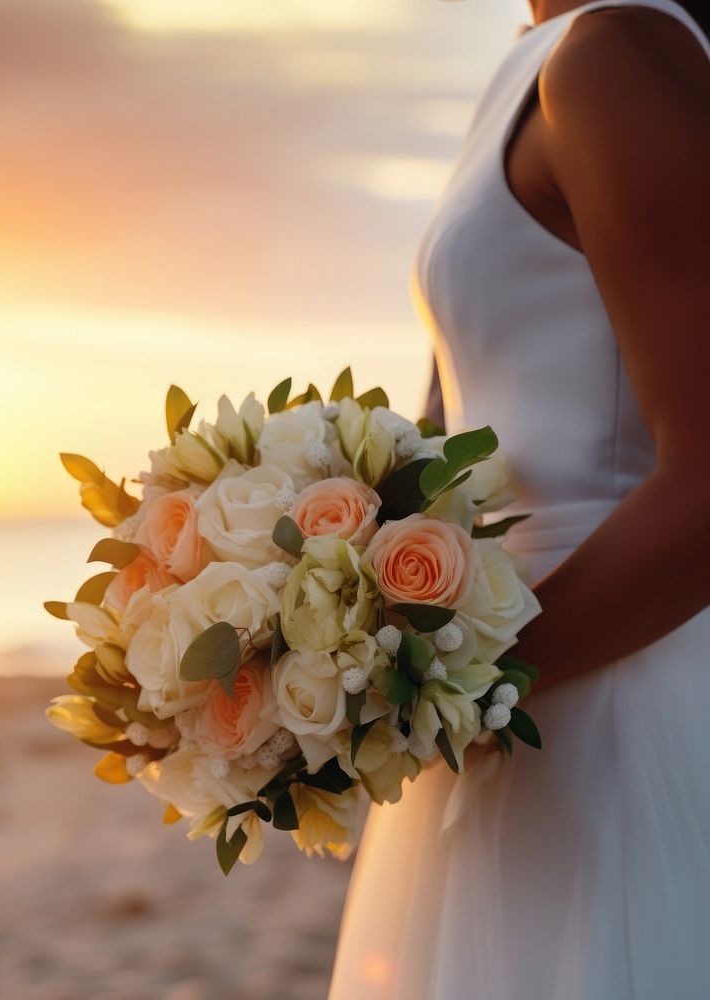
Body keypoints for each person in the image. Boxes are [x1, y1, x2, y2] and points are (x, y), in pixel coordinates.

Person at [328, 1, 710, 997]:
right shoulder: (541, 55)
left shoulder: (614, 53)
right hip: (521, 694)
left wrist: (461, 688)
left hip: (608, 702)